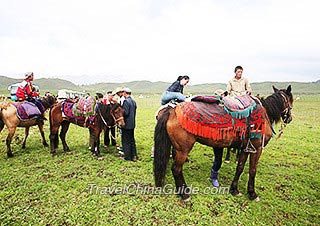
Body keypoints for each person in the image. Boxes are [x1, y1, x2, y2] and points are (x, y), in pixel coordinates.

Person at [120, 87, 138, 161]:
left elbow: (126, 113)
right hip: (132, 124)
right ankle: (134, 155)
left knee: (125, 141)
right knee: (132, 140)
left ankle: (127, 157)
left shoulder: (126, 102)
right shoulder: (133, 101)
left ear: (125, 93)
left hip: (126, 124)